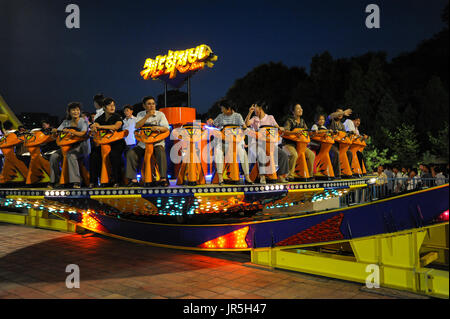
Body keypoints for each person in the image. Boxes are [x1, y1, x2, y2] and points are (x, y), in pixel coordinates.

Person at [126, 96, 170, 187]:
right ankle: (133, 179)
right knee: (131, 153)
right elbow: (137, 126)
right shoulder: (140, 114)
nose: (151, 106)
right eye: (149, 104)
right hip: (143, 144)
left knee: (161, 153)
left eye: (153, 104)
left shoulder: (160, 115)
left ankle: (163, 178)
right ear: (144, 106)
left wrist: (157, 127)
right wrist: (147, 116)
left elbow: (166, 128)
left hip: (157, 143)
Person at [206, 99, 253, 185]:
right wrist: (210, 121)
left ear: (229, 108)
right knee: (218, 152)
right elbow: (213, 125)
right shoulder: (220, 116)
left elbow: (244, 128)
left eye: (223, 108)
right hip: (223, 141)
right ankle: (220, 179)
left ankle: (247, 177)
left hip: (235, 142)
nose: (221, 110)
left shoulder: (238, 116)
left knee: (243, 154)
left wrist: (246, 139)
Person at [245, 101, 289, 183]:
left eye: (255, 108)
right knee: (262, 154)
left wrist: (281, 128)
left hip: (269, 143)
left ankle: (280, 175)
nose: (254, 110)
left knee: (283, 155)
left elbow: (277, 127)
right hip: (257, 143)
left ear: (260, 108)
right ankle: (262, 176)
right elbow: (246, 124)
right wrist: (250, 112)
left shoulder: (270, 117)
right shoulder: (255, 119)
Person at [49, 102, 90, 188]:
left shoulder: (83, 121)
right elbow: (58, 133)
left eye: (77, 110)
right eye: (73, 110)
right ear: (69, 112)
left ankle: (76, 181)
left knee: (71, 155)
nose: (76, 112)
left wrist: (71, 131)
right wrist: (54, 132)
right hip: (66, 146)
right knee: (54, 156)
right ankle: (56, 180)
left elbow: (83, 133)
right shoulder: (66, 122)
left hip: (80, 146)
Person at [89, 97, 125, 188]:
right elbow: (95, 126)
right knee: (94, 156)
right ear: (104, 107)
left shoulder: (117, 117)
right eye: (109, 105)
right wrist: (94, 127)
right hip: (104, 143)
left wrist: (101, 127)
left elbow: (116, 127)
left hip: (117, 143)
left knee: (113, 155)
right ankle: (93, 181)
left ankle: (117, 180)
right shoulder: (100, 118)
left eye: (113, 105)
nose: (112, 107)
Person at [282, 103, 315, 180]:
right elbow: (285, 131)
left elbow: (306, 132)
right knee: (294, 155)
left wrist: (312, 134)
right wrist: (294, 133)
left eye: (301, 108)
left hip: (300, 145)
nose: (300, 110)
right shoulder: (289, 121)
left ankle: (309, 175)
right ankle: (289, 175)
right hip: (289, 144)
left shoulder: (303, 122)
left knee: (311, 155)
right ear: (293, 112)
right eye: (298, 108)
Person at [326, 108, 353, 178]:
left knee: (349, 153)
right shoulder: (330, 121)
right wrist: (343, 112)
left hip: (340, 144)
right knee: (335, 152)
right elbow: (330, 116)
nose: (340, 115)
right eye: (339, 113)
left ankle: (346, 172)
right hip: (331, 144)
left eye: (342, 114)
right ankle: (336, 174)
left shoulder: (342, 125)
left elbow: (344, 135)